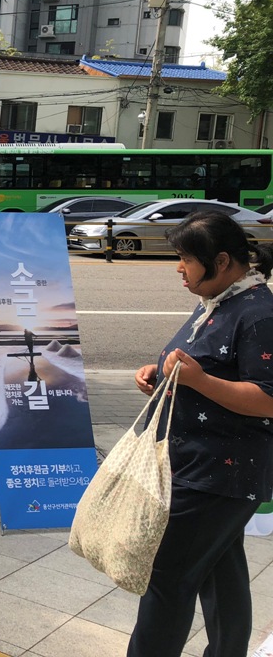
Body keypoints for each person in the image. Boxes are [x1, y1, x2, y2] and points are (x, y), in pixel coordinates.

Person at [128, 211, 273, 657]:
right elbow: (199, 363)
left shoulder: (257, 313)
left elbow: (268, 398)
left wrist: (198, 381)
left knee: (169, 577)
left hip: (220, 474)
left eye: (185, 259)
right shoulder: (218, 299)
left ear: (222, 260)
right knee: (219, 571)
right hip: (197, 464)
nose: (178, 268)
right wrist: (162, 374)